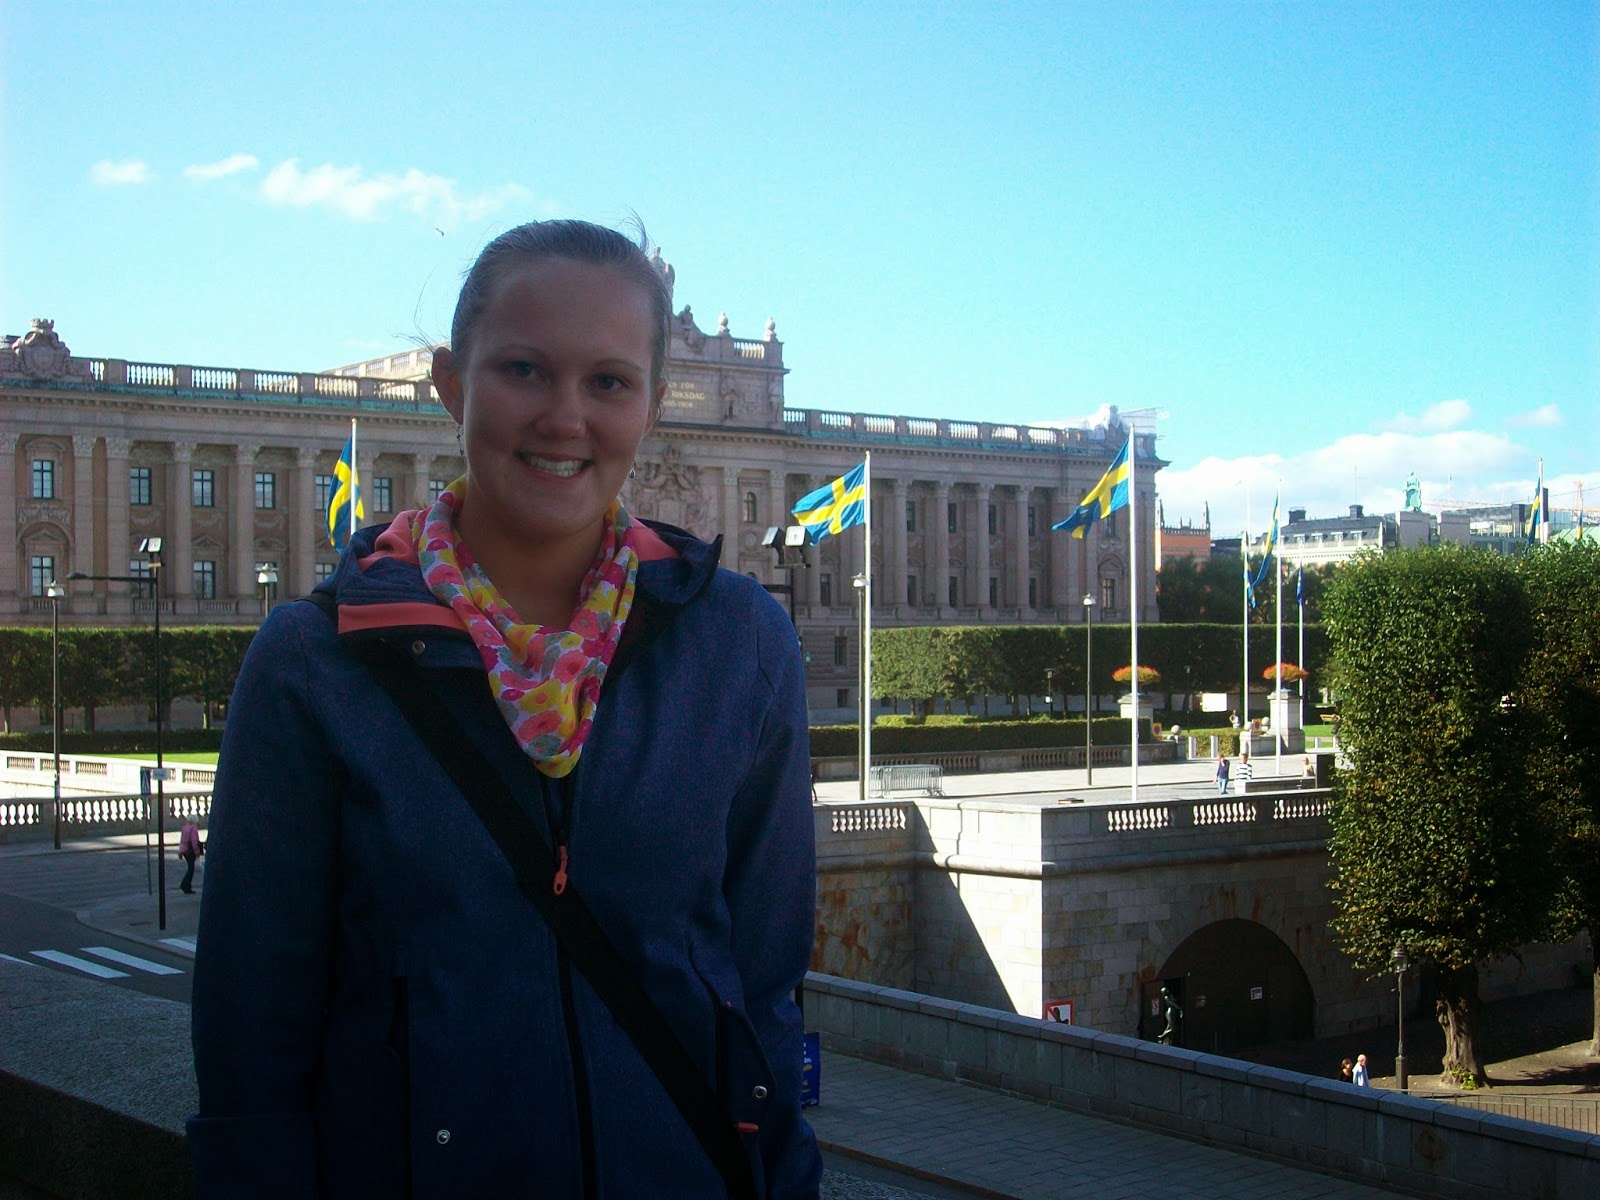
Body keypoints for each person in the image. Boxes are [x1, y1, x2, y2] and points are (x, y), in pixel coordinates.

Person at [189, 219, 822, 1198]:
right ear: (453, 384)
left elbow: (764, 982)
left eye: (608, 381)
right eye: (525, 370)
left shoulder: (740, 645)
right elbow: (252, 1026)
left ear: (653, 405)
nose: (565, 418)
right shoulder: (315, 663)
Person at [177, 820, 202, 894]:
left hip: (185, 851)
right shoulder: (193, 828)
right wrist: (197, 851)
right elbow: (194, 841)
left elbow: (182, 841)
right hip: (190, 851)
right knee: (191, 869)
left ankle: (186, 885)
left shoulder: (184, 828)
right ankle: (185, 885)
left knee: (190, 868)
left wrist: (180, 851)